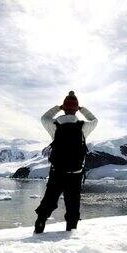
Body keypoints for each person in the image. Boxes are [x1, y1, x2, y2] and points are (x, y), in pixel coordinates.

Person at [34, 91, 98, 234]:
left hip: (57, 172)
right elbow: (95, 120)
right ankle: (71, 231)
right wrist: (82, 109)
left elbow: (44, 118)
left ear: (64, 107)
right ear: (76, 109)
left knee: (49, 201)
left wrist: (58, 108)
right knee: (73, 203)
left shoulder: (55, 125)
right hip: (75, 174)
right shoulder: (83, 127)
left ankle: (39, 226)